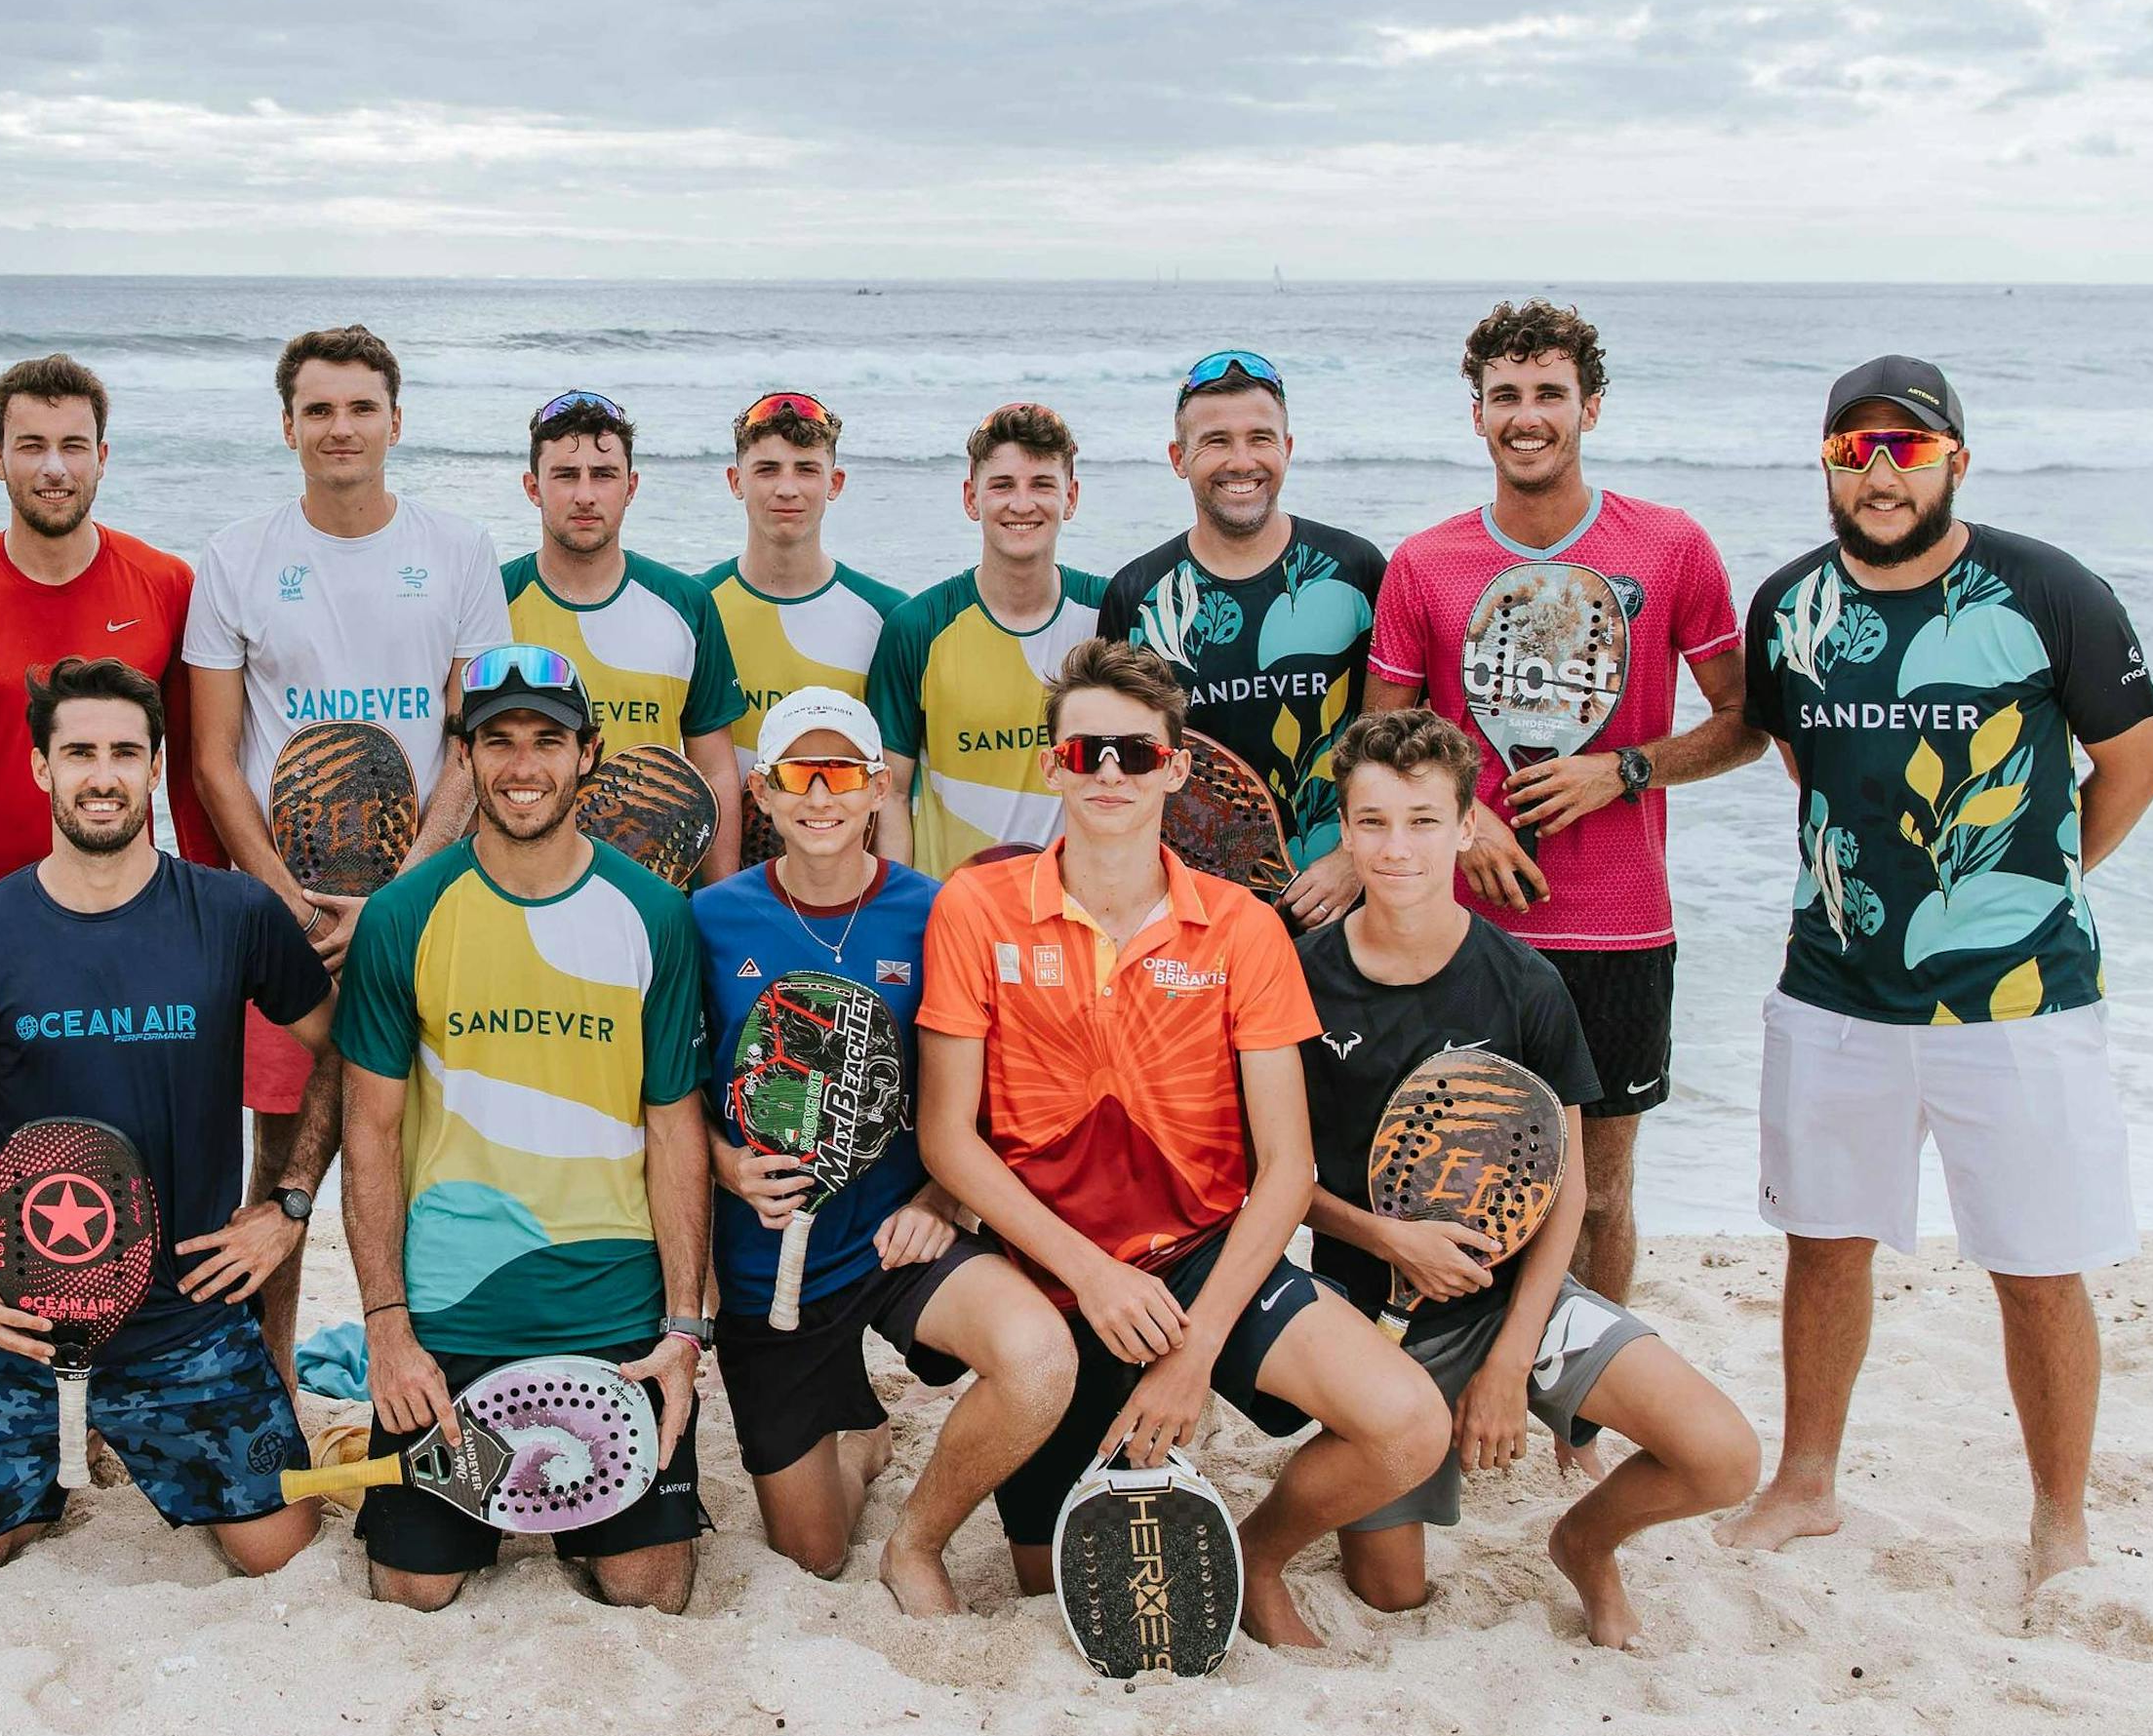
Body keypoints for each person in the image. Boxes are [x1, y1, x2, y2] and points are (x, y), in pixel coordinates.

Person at [1720, 357, 2153, 1588]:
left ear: (1954, 462)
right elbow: (1804, 763)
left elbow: (2133, 767)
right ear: (1824, 461)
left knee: (2036, 1263)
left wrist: (2033, 884)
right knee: (1823, 1241)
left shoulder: (2048, 589)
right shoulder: (1787, 604)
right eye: (1853, 447)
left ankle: (2059, 1525)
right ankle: (1808, 1483)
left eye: (1906, 449)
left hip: (2019, 1004)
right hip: (1833, 991)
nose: (1878, 470)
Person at [913, 639, 1447, 1647]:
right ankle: (940, 1529)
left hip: (1198, 1262)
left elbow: (1287, 1168)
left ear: (1176, 765)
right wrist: (1093, 1276)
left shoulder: (1243, 929)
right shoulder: (976, 909)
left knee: (1408, 1424)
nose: (1108, 772)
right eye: (1084, 754)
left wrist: (1192, 1353)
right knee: (1046, 1577)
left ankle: (1258, 1548)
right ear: (1049, 764)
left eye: (1133, 751)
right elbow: (949, 1137)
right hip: (1046, 1270)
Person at [1295, 710, 1759, 1648]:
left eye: (1424, 821)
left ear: (1469, 828)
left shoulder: (1525, 981)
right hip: (1376, 1320)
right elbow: (1272, 1178)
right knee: (1388, 1594)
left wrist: (1509, 1360)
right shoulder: (1300, 979)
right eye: (1373, 821)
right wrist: (1386, 1236)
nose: (1398, 847)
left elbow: (1570, 1191)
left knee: (1723, 1458)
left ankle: (1584, 1545)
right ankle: (1356, 1448)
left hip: (1522, 1301)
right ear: (1343, 831)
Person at [0, 659, 340, 1586]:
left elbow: (343, 1048)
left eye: (124, 753)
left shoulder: (231, 914)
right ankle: (54, 1469)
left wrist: (288, 1205)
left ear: (153, 769)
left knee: (276, 1554)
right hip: (23, 1321)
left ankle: (132, 1439)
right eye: (80, 752)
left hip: (190, 1320)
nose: (102, 773)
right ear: (39, 768)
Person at [1365, 301, 1763, 1307]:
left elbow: (1746, 722)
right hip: (1461, 931)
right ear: (1478, 416)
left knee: (1600, 1196)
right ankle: (1450, 1392)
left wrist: (1623, 771)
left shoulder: (1670, 548)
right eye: (1506, 396)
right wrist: (1470, 820)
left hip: (1622, 930)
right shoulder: (1426, 562)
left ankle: (1578, 1410)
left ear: (1591, 407)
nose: (1527, 415)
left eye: (1549, 393)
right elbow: (1374, 742)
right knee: (1448, 1181)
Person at [336, 646, 714, 1612]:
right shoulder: (403, 915)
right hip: (454, 1324)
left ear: (590, 754)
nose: (522, 764)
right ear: (463, 757)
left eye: (547, 740)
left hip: (612, 1321)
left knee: (650, 1589)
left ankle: (566, 1512)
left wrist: (681, 1332)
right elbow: (370, 1134)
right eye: (496, 741)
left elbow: (674, 1130)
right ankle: (469, 1496)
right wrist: (388, 1331)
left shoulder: (655, 915)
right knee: (417, 1589)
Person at [692, 688, 1073, 1613]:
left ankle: (918, 1543)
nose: (820, 797)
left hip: (903, 1236)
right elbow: (664, 1102)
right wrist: (728, 1165)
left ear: (877, 790)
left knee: (1037, 1360)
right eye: (797, 776)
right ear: (763, 792)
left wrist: (942, 1204)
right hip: (765, 1265)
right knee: (813, 1551)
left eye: (842, 775)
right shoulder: (706, 922)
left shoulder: (942, 915)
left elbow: (986, 1093)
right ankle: (860, 1435)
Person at [182, 326, 515, 1380]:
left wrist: (406, 889)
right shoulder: (239, 557)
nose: (340, 427)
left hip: (426, 901)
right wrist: (279, 898)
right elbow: (212, 758)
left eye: (360, 407)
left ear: (395, 423)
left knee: (427, 1157)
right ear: (288, 427)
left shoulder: (458, 551)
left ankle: (432, 1370)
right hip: (286, 914)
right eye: (318, 409)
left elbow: (473, 741)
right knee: (278, 1163)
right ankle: (268, 1376)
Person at [0, 353, 217, 997]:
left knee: (137, 1101)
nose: (54, 468)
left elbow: (193, 775)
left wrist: (208, 928)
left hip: (132, 919)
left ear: (102, 456)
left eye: (73, 446)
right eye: (31, 446)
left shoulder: (167, 586)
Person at [1096, 351, 1385, 927]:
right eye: (1216, 441)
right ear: (1179, 458)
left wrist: (1353, 860)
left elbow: (1402, 740)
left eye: (1260, 438)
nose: (1241, 461)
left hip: (1345, 907)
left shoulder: (1355, 571)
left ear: (1289, 449)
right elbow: (1118, 768)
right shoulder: (1138, 595)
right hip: (1193, 916)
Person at [502, 390, 750, 881]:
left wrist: (718, 899)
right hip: (517, 881)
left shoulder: (686, 603)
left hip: (655, 886)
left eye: (604, 474)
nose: (585, 495)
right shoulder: (491, 599)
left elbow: (716, 768)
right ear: (533, 487)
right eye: (566, 475)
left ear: (631, 486)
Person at [869, 403, 1111, 878]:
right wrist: (897, 909)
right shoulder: (918, 626)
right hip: (951, 908)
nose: (1022, 504)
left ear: (1072, 497)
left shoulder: (1109, 613)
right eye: (1002, 485)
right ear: (970, 498)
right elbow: (891, 794)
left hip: (1076, 910)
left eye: (1042, 484)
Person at [703, 391, 905, 862]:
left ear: (834, 482)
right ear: (736, 481)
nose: (787, 489)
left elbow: (894, 788)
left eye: (806, 469)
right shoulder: (696, 608)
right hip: (723, 882)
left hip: (846, 886)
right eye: (767, 470)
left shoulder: (889, 615)